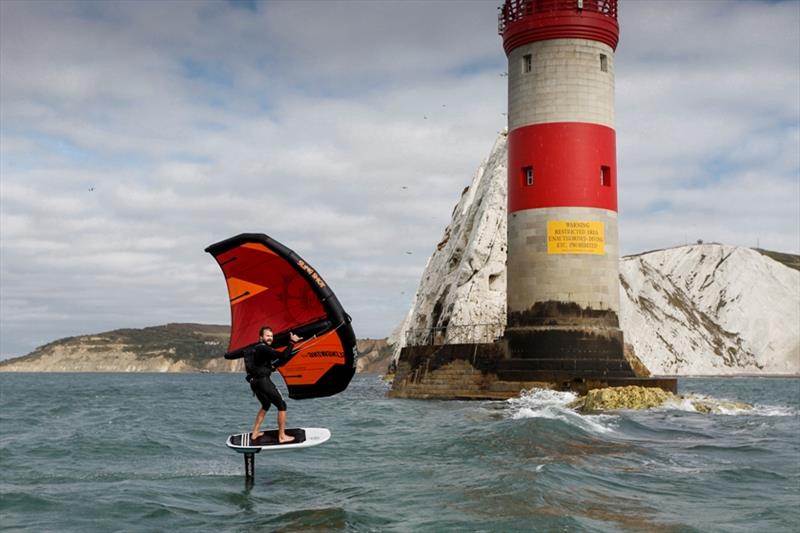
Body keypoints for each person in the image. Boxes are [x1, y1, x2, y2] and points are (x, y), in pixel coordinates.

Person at [245, 326, 301, 443]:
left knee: (266, 405)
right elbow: (283, 356)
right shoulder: (264, 348)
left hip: (254, 382)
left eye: (271, 336)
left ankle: (255, 433)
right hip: (263, 381)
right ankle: (282, 436)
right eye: (267, 336)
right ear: (261, 337)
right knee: (282, 405)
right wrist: (292, 342)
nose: (270, 338)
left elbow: (262, 365)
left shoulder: (257, 349)